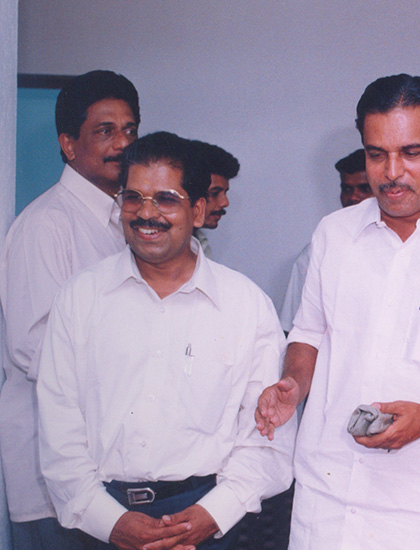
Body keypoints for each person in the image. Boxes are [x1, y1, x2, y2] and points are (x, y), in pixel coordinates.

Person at [256, 74, 420, 549]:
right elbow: (308, 333)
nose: (391, 172)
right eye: (376, 154)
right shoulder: (334, 234)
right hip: (328, 504)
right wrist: (293, 385)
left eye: (411, 153)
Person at [36, 131, 295, 550]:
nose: (145, 213)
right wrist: (112, 523)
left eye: (166, 199)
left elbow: (267, 438)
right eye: (133, 198)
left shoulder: (246, 306)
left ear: (198, 210)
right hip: (102, 521)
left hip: (208, 520)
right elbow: (58, 430)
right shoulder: (81, 298)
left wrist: (211, 515)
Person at [0, 69, 140, 550]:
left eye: (130, 129)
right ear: (68, 145)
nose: (122, 144)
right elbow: (34, 347)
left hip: (107, 470)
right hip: (52, 475)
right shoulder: (46, 224)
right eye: (105, 131)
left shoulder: (126, 221)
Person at [279, 148, 373, 333]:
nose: (353, 197)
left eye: (364, 189)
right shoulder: (317, 251)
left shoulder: (406, 246)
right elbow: (291, 328)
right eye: (347, 189)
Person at [192, 140, 240, 257]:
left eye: (225, 193)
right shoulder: (161, 250)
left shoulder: (201, 243)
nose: (225, 203)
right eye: (214, 193)